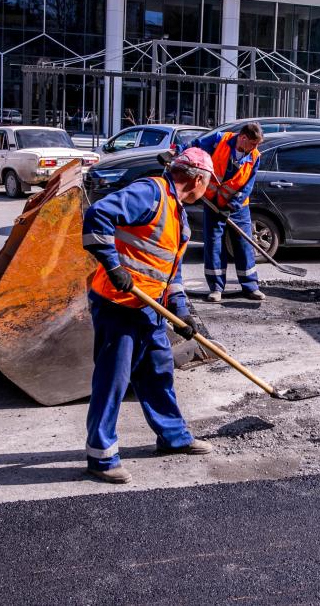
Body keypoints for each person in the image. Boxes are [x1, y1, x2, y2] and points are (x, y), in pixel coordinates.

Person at [81, 148, 215, 484]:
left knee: (158, 373)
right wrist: (112, 265)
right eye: (208, 183)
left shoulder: (178, 212)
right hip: (119, 304)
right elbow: (97, 214)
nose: (207, 190)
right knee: (113, 379)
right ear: (198, 179)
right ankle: (101, 456)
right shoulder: (151, 192)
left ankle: (173, 437)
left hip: (149, 308)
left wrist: (180, 310)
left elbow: (170, 269)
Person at [189, 123, 265, 302]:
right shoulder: (218, 141)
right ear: (243, 138)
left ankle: (250, 286)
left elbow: (247, 185)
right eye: (253, 144)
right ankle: (216, 288)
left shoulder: (254, 156)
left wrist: (233, 205)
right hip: (213, 203)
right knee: (214, 245)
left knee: (244, 244)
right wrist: (175, 152)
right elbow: (193, 147)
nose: (255, 148)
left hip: (238, 207)